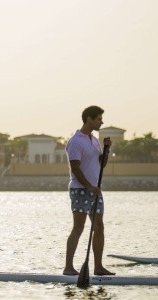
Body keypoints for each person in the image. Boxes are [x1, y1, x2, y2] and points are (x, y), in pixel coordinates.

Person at [63, 105, 115, 276]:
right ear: (89, 119)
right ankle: (68, 267)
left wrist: (106, 150)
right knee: (78, 227)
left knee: (99, 227)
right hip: (80, 189)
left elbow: (102, 165)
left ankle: (98, 267)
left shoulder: (94, 141)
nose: (102, 121)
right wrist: (89, 187)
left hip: (95, 190)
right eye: (99, 118)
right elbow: (75, 169)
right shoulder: (76, 141)